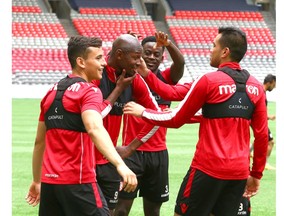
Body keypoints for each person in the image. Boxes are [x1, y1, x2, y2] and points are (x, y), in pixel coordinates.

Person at [123, 26, 268, 216]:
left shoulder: (208, 80)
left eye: (214, 45)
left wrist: (143, 112)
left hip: (207, 169)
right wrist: (256, 174)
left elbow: (175, 117)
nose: (210, 49)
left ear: (225, 52)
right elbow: (262, 136)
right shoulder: (256, 86)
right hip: (239, 172)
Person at [25, 36, 138, 216]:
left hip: (50, 184)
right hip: (78, 182)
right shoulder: (90, 91)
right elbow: (94, 127)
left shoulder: (51, 92)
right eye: (98, 58)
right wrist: (120, 164)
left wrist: (37, 181)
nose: (103, 63)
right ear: (81, 62)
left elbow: (39, 141)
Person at [114, 31, 185, 216]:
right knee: (121, 209)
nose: (151, 57)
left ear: (162, 58)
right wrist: (130, 43)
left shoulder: (167, 79)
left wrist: (168, 44)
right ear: (139, 54)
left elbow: (180, 64)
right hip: (131, 151)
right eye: (147, 53)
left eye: (156, 54)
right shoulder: (129, 77)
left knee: (153, 211)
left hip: (158, 154)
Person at [91, 34, 161, 215]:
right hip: (85, 160)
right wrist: (119, 89)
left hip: (109, 162)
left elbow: (157, 116)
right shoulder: (96, 74)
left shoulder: (133, 78)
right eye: (136, 57)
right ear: (120, 54)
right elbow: (94, 118)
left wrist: (131, 147)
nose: (140, 62)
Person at [263, 73, 276, 170]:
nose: (274, 87)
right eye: (274, 85)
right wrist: (269, 117)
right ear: (269, 83)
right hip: (260, 123)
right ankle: (265, 164)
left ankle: (249, 153)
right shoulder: (262, 94)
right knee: (271, 142)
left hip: (257, 122)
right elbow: (259, 113)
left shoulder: (261, 92)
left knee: (259, 141)